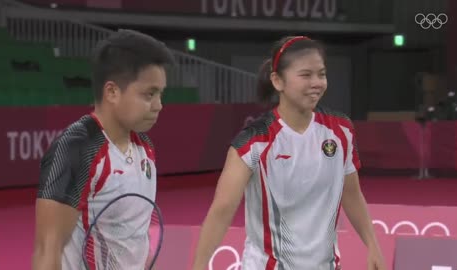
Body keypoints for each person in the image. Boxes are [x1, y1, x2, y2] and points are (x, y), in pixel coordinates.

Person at [192, 36, 386, 270]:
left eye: (321, 74)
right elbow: (222, 209)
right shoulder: (254, 140)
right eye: (306, 75)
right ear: (278, 81)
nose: (316, 83)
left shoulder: (340, 130)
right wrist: (199, 265)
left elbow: (352, 194)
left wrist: (373, 245)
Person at [32, 29, 175, 270]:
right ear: (112, 92)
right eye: (149, 94)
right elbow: (47, 251)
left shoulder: (145, 149)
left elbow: (135, 238)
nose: (159, 106)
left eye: (160, 94)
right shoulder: (76, 150)